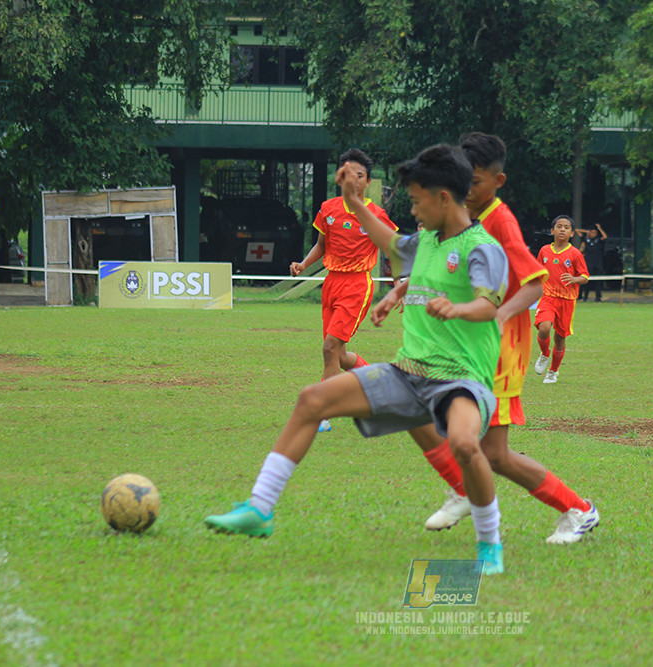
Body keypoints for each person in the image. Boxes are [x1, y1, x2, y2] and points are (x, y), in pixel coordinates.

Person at [205, 144, 510, 575]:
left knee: (463, 443)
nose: (413, 210)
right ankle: (260, 509)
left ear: (444, 198)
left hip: (460, 379)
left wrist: (457, 309)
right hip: (408, 373)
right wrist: (352, 204)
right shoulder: (424, 242)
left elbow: (488, 305)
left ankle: (489, 542)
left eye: (418, 200)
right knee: (313, 400)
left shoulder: (482, 248)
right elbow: (385, 239)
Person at [379, 133, 599, 545]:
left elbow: (533, 283)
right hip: (468, 343)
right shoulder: (462, 217)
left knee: (455, 429)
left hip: (499, 350)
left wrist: (498, 317)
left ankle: (574, 509)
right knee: (478, 444)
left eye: (476, 183)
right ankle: (569, 507)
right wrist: (402, 288)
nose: (467, 190)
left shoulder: (500, 221)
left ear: (497, 182)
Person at [290, 148, 398, 432]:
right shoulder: (328, 209)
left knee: (329, 348)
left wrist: (398, 282)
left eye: (360, 175)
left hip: (357, 285)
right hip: (331, 283)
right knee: (338, 355)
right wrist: (303, 264)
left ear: (367, 180)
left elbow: (393, 248)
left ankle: (323, 411)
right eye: (349, 174)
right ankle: (379, 383)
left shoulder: (375, 214)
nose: (355, 180)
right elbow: (321, 245)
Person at [534, 215, 589, 385]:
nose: (562, 229)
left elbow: (585, 276)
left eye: (566, 227)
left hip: (567, 300)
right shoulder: (544, 251)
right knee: (543, 328)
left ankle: (553, 371)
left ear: (572, 233)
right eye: (559, 226)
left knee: (560, 337)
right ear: (552, 231)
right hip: (548, 296)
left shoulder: (575, 253)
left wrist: (574, 279)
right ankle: (544, 354)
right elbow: (538, 272)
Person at [576, 223, 607, 302]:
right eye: (592, 233)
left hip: (598, 263)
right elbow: (577, 230)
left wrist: (599, 228)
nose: (593, 234)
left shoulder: (598, 240)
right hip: (588, 263)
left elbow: (605, 237)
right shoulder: (586, 239)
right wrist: (587, 231)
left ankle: (598, 297)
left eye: (595, 233)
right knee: (586, 281)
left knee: (598, 281)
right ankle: (584, 297)